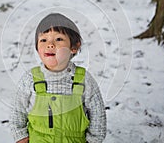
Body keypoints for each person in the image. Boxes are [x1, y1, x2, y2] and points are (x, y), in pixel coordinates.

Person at [10, 13, 106, 143]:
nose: (50, 44)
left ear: (74, 47)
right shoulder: (30, 80)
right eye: (43, 40)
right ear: (37, 48)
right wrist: (20, 136)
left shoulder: (84, 80)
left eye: (59, 39)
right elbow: (17, 111)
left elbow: (98, 114)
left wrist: (94, 139)